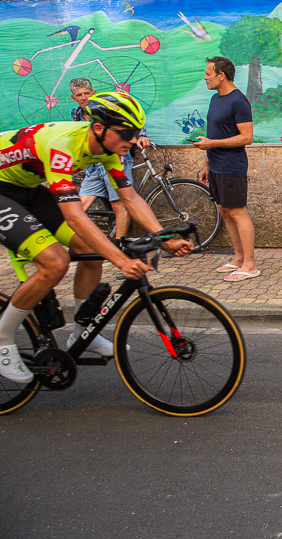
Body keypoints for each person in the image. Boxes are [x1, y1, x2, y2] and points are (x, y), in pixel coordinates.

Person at [0, 92, 192, 383]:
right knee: (55, 262)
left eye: (136, 132)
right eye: (127, 132)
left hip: (26, 185)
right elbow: (75, 216)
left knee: (91, 251)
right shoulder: (62, 146)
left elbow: (131, 198)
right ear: (100, 128)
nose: (133, 139)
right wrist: (121, 261)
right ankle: (2, 340)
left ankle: (82, 331)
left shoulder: (109, 150)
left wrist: (164, 238)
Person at [193, 56, 259, 282]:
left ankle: (250, 265)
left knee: (238, 212)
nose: (205, 77)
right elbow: (213, 134)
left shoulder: (238, 101)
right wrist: (206, 164)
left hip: (232, 166)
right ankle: (238, 258)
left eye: (208, 74)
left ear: (222, 75)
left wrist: (212, 145)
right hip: (216, 164)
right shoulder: (215, 99)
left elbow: (246, 137)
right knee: (224, 210)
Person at [69, 77, 153, 238]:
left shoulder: (105, 108)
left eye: (87, 93)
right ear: (74, 97)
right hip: (93, 165)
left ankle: (120, 244)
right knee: (81, 205)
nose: (84, 97)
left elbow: (132, 119)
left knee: (119, 204)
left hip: (115, 160)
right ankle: (72, 244)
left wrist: (142, 136)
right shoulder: (76, 113)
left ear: (93, 93)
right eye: (79, 95)